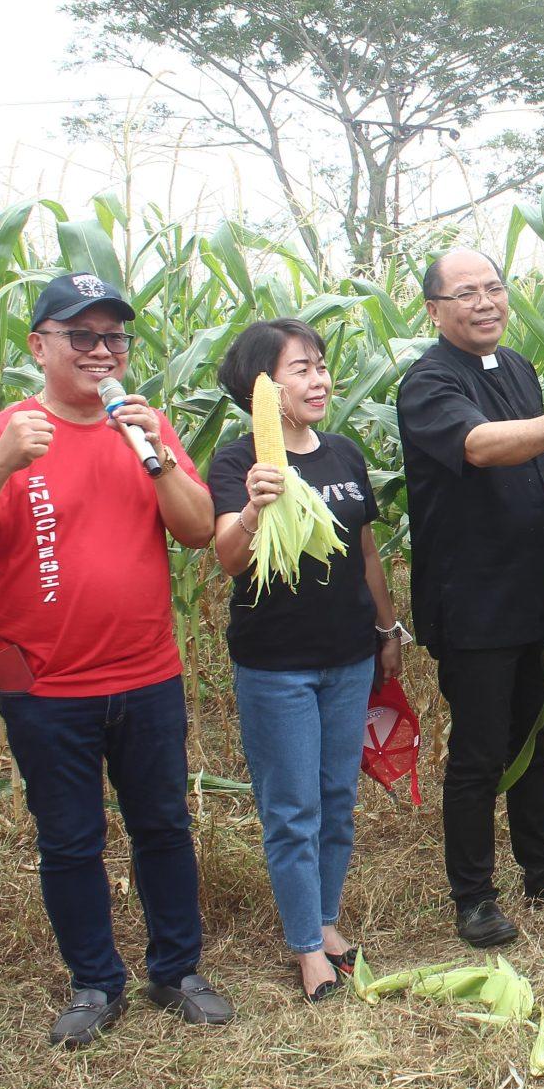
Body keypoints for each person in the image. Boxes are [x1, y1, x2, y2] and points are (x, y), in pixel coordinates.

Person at [0, 272, 231, 1047]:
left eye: (114, 338)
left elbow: (197, 533)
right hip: (45, 684)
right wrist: (0, 463)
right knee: (68, 840)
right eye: (82, 336)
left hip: (148, 673)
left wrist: (159, 453)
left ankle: (177, 970)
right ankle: (95, 982)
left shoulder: (145, 426)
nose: (102, 352)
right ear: (40, 346)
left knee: (161, 824)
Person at [395, 248, 544, 948]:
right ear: (433, 310)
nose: (485, 303)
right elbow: (480, 445)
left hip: (536, 593)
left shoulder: (515, 367)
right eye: (465, 293)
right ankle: (475, 897)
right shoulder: (426, 383)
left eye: (494, 289)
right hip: (474, 603)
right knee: (482, 751)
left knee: (542, 734)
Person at [208, 319, 404, 1002]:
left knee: (336, 801)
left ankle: (325, 919)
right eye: (301, 369)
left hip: (348, 657)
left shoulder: (343, 455)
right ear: (262, 386)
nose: (319, 380)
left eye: (321, 366)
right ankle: (305, 948)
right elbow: (230, 559)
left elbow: (367, 552)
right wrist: (257, 509)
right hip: (277, 664)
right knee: (292, 808)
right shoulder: (238, 464)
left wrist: (388, 629)